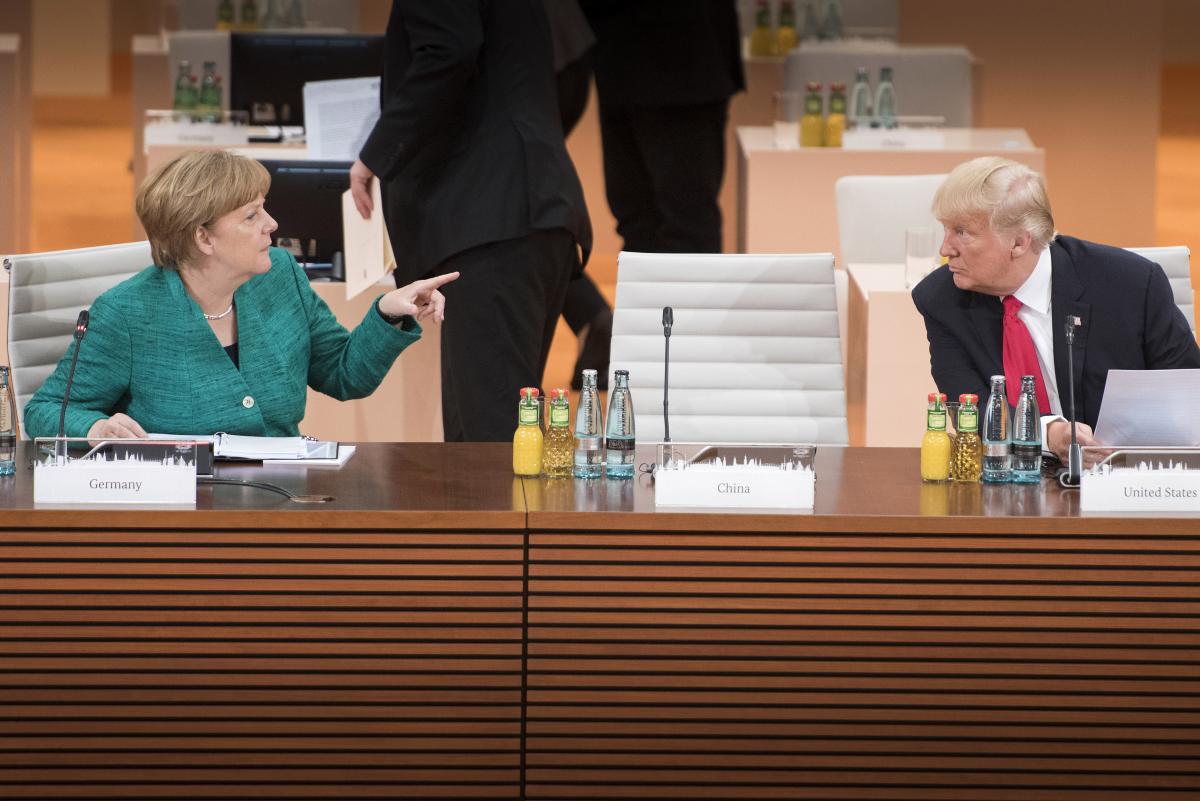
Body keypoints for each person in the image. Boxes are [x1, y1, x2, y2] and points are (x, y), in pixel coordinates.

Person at [24, 150, 457, 440]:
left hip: (285, 500)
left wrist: (386, 313)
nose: (271, 224)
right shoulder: (126, 313)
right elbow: (47, 410)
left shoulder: (280, 276)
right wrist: (96, 427)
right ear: (203, 237)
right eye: (251, 215)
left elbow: (343, 374)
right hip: (184, 518)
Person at [349, 0, 592, 442]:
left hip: (493, 220)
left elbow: (448, 52)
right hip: (525, 211)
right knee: (498, 437)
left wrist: (377, 153)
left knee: (489, 445)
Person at [911, 156, 1200, 463]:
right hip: (1011, 482)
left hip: (1125, 477)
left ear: (1019, 243)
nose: (945, 249)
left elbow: (1186, 393)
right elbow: (972, 409)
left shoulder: (1132, 285)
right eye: (945, 230)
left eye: (962, 232)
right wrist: (1049, 434)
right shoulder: (941, 300)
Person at [579, 0, 744, 254]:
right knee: (636, 219)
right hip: (619, 59)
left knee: (686, 220)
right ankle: (650, 294)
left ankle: (694, 295)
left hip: (682, 63)